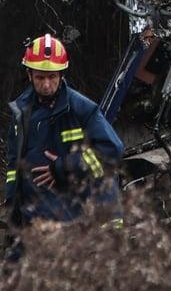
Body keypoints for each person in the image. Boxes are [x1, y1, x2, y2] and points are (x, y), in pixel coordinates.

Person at [4, 34, 124, 228]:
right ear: (29, 75)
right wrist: (11, 205)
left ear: (61, 75)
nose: (46, 84)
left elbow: (112, 150)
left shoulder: (81, 109)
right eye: (40, 77)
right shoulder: (21, 112)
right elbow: (13, 165)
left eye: (52, 77)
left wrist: (65, 166)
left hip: (78, 219)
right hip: (34, 220)